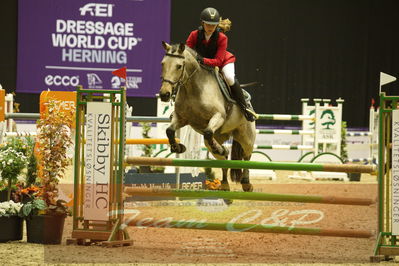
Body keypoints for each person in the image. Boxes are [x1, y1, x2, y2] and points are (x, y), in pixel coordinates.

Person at [186, 7, 258, 122]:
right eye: (208, 24)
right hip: (202, 63)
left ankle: (245, 107)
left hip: (223, 61)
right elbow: (187, 52)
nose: (210, 28)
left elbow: (218, 61)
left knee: (229, 77)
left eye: (213, 25)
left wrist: (201, 60)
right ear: (202, 23)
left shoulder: (222, 38)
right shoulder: (194, 35)